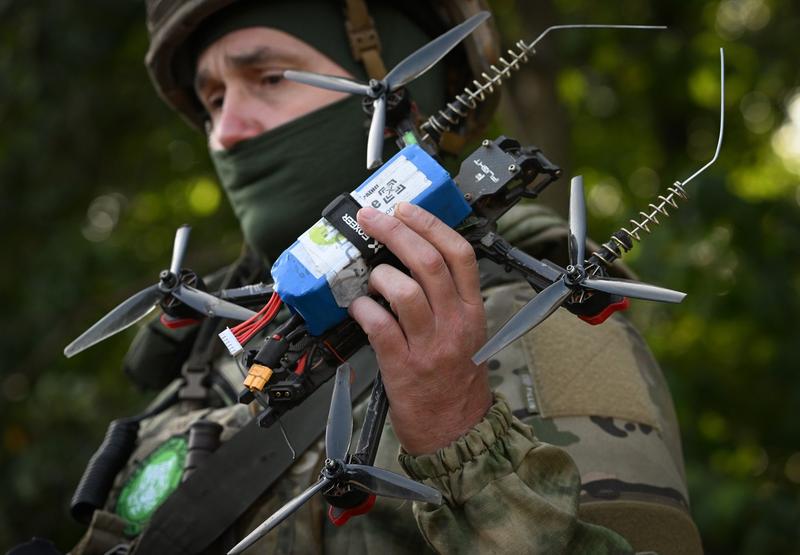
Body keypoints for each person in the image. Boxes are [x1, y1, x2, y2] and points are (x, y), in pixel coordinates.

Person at [63, 1, 703, 554]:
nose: (227, 131)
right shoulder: (208, 354)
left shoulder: (534, 326)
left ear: (389, 92)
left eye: (268, 78)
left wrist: (465, 447)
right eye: (213, 100)